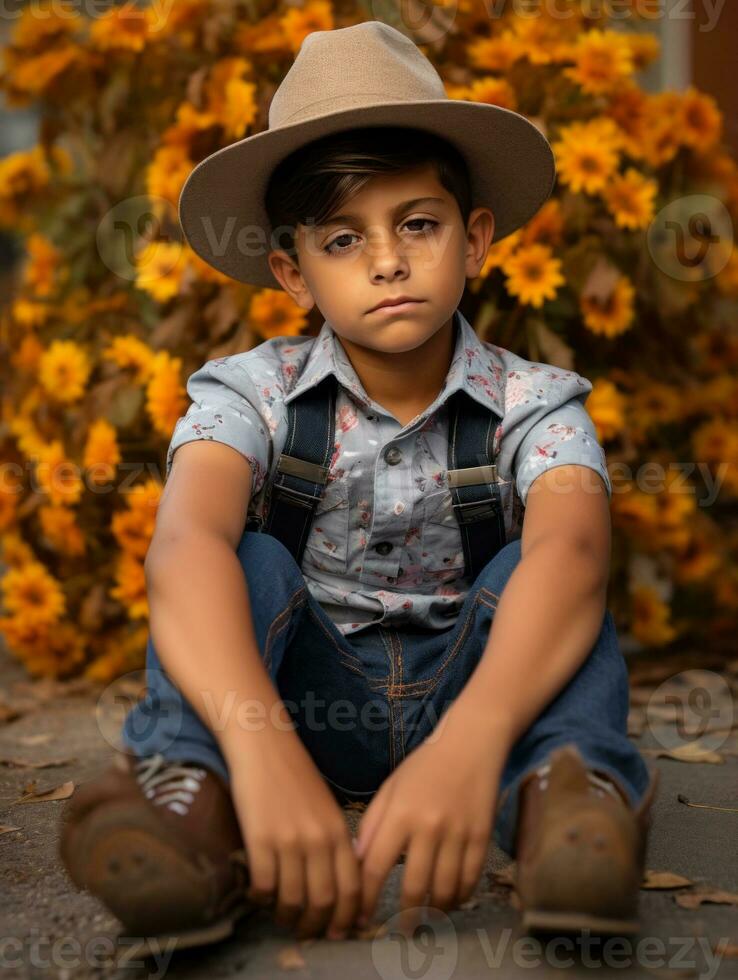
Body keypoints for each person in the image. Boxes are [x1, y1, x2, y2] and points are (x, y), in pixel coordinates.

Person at [59, 20, 659, 952]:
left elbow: (575, 554)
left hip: (480, 694)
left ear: (476, 239)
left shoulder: (536, 404)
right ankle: (191, 814)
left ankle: (570, 807)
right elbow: (182, 546)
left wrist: (473, 740)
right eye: (345, 239)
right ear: (294, 272)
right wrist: (260, 749)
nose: (387, 260)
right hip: (294, 704)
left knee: (546, 574)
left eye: (418, 224)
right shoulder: (247, 394)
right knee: (240, 556)